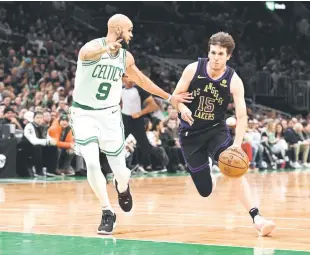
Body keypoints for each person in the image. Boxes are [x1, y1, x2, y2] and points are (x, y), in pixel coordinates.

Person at [70, 14, 192, 235]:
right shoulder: (92, 47)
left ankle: (123, 187)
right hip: (84, 113)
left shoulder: (126, 58)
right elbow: (86, 55)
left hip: (109, 115)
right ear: (117, 28)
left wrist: (169, 97)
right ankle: (107, 211)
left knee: (122, 172)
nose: (132, 34)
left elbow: (143, 81)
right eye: (130, 29)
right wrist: (105, 50)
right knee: (92, 163)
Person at [172, 32, 276, 236]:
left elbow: (242, 116)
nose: (216, 57)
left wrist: (237, 145)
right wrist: (182, 109)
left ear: (228, 56)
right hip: (191, 135)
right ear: (208, 51)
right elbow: (175, 97)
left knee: (236, 170)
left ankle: (258, 219)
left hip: (215, 132)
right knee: (205, 190)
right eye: (213, 52)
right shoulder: (193, 69)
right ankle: (207, 168)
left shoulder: (234, 81)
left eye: (221, 53)